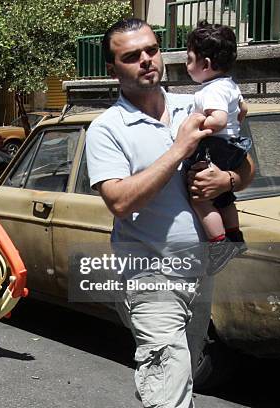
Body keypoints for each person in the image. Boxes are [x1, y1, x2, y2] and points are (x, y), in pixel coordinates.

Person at [85, 19, 255, 408]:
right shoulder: (107, 129)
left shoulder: (198, 103)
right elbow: (120, 201)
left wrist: (225, 180)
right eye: (132, 56)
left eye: (152, 50)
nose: (146, 60)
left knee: (180, 378)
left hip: (201, 272)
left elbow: (247, 170)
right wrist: (179, 149)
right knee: (168, 390)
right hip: (152, 278)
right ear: (113, 71)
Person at [185, 21, 252, 272]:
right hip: (232, 146)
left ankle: (219, 243)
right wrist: (235, 126)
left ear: (206, 65)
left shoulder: (208, 91)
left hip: (213, 147)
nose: (186, 65)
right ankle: (234, 235)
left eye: (189, 59)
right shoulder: (230, 85)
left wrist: (198, 124)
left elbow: (219, 119)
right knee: (223, 198)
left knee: (201, 199)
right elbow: (242, 109)